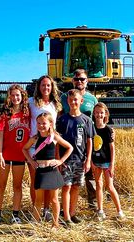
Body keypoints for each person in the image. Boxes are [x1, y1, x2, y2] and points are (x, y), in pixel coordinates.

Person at [22, 112, 73, 228]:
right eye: (38, 123)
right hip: (40, 171)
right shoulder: (35, 138)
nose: (40, 126)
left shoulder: (54, 137)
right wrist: (31, 161)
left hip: (52, 171)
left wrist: (60, 161)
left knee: (54, 200)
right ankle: (35, 222)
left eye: (44, 123)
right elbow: (24, 149)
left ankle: (55, 224)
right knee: (38, 199)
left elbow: (70, 147)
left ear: (50, 124)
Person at [0, 84, 31, 226]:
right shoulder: (4, 113)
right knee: (1, 185)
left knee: (17, 186)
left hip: (20, 155)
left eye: (17, 95)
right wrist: (0, 154)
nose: (15, 98)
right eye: (12, 95)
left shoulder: (27, 112)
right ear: (9, 97)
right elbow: (0, 135)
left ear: (22, 96)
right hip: (6, 155)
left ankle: (15, 215)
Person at [60, 69, 98, 209]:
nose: (79, 81)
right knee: (68, 184)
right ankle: (67, 210)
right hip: (68, 144)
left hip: (86, 140)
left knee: (90, 174)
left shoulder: (92, 99)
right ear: (72, 81)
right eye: (77, 79)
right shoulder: (64, 97)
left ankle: (92, 203)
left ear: (87, 81)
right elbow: (59, 115)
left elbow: (97, 119)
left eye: (82, 79)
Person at [57, 89, 95, 226]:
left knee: (76, 187)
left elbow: (89, 141)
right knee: (66, 187)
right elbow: (57, 141)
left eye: (76, 100)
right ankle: (66, 217)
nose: (73, 102)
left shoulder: (86, 121)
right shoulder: (62, 120)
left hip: (80, 160)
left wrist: (88, 160)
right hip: (66, 160)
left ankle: (73, 214)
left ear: (81, 101)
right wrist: (58, 159)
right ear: (67, 101)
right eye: (71, 100)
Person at [28, 75, 62, 220]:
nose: (46, 88)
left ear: (52, 87)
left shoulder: (56, 105)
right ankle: (36, 208)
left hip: (49, 147)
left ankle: (47, 209)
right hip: (34, 147)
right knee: (36, 181)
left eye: (48, 85)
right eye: (43, 85)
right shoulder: (31, 102)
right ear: (38, 87)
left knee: (49, 181)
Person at [92, 102, 125, 221]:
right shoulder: (92, 128)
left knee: (110, 186)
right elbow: (89, 146)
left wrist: (112, 164)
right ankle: (100, 210)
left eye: (101, 113)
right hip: (95, 161)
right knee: (98, 185)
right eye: (96, 112)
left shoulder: (108, 130)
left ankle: (119, 211)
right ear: (93, 114)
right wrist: (91, 162)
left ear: (105, 114)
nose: (98, 115)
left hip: (106, 162)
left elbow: (112, 148)